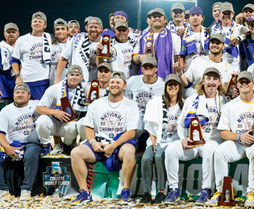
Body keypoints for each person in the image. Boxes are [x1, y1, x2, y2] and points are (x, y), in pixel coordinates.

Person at [70, 71, 139, 205]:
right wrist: (93, 142)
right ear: (108, 85)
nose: (114, 85)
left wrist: (113, 146)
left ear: (124, 86)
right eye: (112, 82)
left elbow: (131, 132)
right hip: (99, 144)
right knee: (76, 153)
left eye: (118, 82)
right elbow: (88, 127)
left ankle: (125, 190)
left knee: (130, 151)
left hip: (119, 145)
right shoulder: (97, 103)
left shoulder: (131, 105)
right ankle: (84, 192)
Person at [164, 67, 227, 205]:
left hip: (212, 140)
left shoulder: (223, 101)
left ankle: (206, 190)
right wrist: (183, 139)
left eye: (215, 79)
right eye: (208, 78)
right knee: (170, 150)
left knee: (210, 150)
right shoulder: (191, 99)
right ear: (203, 80)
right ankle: (174, 189)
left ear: (219, 82)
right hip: (192, 141)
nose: (211, 82)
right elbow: (181, 124)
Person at [207, 71, 254, 208]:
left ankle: (251, 192)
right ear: (237, 85)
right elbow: (224, 133)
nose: (244, 84)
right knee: (220, 151)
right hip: (237, 143)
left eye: (247, 82)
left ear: (253, 84)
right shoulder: (230, 105)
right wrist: (240, 136)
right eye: (241, 82)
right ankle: (221, 191)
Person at [0, 83, 41, 201]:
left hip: (31, 143)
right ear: (13, 95)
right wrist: (6, 146)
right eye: (17, 92)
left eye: (23, 92)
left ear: (29, 95)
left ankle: (26, 189)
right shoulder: (6, 110)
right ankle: (2, 190)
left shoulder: (37, 104)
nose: (20, 95)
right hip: (12, 142)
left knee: (32, 154)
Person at [140, 74, 184, 205]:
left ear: (179, 87)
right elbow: (150, 124)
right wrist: (153, 141)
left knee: (159, 156)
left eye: (175, 84)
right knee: (146, 158)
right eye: (169, 84)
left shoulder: (184, 104)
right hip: (157, 140)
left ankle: (161, 191)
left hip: (173, 142)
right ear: (165, 87)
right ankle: (147, 192)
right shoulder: (156, 102)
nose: (172, 87)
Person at [36, 65, 86, 155]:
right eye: (72, 74)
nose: (74, 77)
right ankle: (46, 145)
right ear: (66, 76)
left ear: (82, 77)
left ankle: (67, 145)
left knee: (72, 127)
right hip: (53, 122)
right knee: (41, 121)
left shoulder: (85, 90)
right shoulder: (54, 88)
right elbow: (39, 108)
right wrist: (54, 112)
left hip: (68, 123)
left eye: (77, 75)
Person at [179, 33, 237, 98]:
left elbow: (229, 93)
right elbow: (186, 84)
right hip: (200, 102)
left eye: (218, 43)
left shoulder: (229, 68)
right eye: (212, 42)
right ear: (209, 45)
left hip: (220, 104)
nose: (214, 45)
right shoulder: (197, 62)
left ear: (223, 47)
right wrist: (179, 72)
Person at [11, 11, 53, 100]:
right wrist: (17, 76)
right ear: (31, 24)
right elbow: (14, 60)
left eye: (40, 22)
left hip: (43, 81)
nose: (37, 23)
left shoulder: (49, 38)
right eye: (35, 21)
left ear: (45, 25)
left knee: (41, 109)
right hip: (26, 81)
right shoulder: (22, 40)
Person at [133, 8, 182, 79]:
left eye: (159, 16)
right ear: (150, 20)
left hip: (165, 78)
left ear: (165, 20)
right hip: (145, 78)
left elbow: (177, 58)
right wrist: (140, 58)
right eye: (154, 17)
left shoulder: (174, 37)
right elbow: (134, 58)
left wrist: (178, 66)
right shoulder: (141, 38)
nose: (157, 18)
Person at [126, 57, 165, 145]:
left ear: (156, 69)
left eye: (151, 66)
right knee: (135, 127)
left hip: (154, 116)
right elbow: (125, 97)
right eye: (145, 66)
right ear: (142, 69)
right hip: (137, 114)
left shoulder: (163, 84)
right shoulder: (133, 80)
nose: (148, 68)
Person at [55, 16, 104, 83]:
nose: (93, 29)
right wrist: (57, 78)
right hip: (77, 82)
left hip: (97, 81)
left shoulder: (105, 43)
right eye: (90, 27)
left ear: (101, 29)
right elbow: (64, 58)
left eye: (95, 27)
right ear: (86, 28)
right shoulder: (77, 39)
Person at [0, 23, 20, 104]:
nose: (11, 34)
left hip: (24, 87)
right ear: (4, 33)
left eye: (13, 32)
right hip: (8, 88)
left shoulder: (23, 46)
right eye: (8, 32)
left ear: (18, 33)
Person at [180, 6, 209, 72]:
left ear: (202, 18)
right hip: (188, 68)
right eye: (192, 15)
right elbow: (181, 53)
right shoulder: (183, 33)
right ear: (189, 19)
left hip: (204, 68)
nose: (195, 17)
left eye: (198, 15)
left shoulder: (208, 33)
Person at [50, 18, 70, 84]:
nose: (60, 31)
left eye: (63, 29)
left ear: (68, 31)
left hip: (69, 81)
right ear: (54, 31)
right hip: (52, 81)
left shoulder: (73, 45)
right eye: (57, 29)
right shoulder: (50, 45)